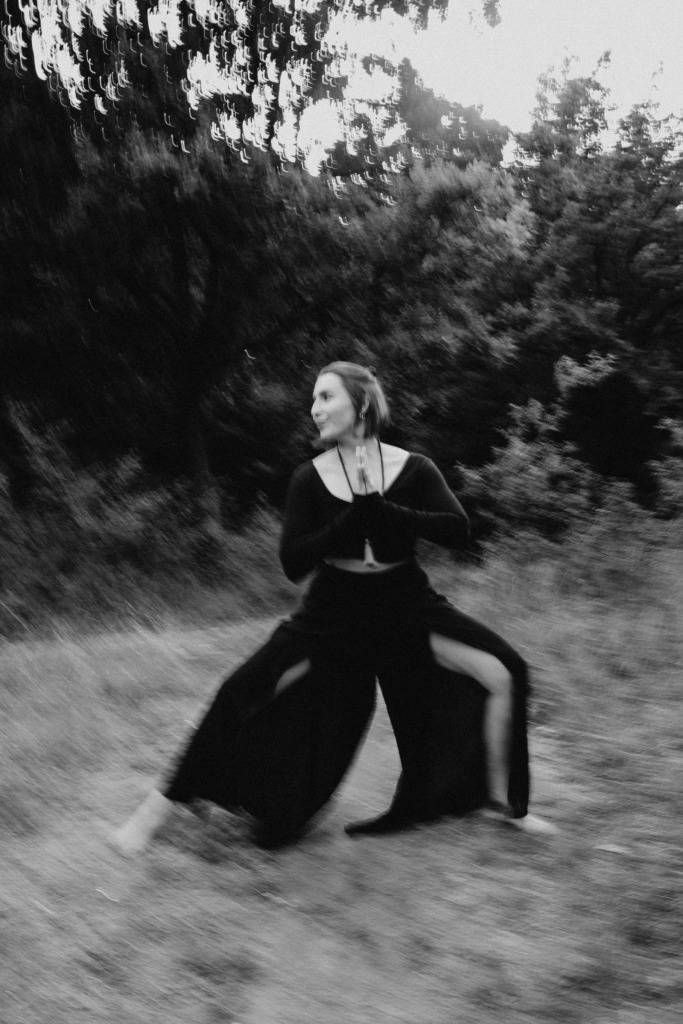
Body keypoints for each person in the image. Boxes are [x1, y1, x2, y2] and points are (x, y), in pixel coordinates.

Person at [114, 362, 553, 855]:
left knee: (502, 671)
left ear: (360, 405)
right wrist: (352, 518)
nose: (314, 409)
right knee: (242, 690)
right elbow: (294, 563)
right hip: (333, 609)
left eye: (326, 397)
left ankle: (504, 804)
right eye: (314, 399)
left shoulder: (414, 468)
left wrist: (383, 510)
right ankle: (155, 810)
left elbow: (457, 529)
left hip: (405, 602)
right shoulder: (309, 478)